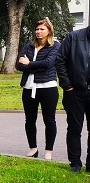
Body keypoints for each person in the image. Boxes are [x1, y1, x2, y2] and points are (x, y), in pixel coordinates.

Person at [16, 18, 60, 160]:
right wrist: (33, 65)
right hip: (29, 87)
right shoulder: (29, 46)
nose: (39, 32)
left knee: (49, 120)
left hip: (48, 87)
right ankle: (33, 148)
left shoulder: (55, 46)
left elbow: (48, 63)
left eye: (42, 29)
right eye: (37, 29)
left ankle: (48, 151)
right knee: (29, 119)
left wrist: (29, 63)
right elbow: (19, 65)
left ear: (49, 31)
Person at [55, 24, 90, 172]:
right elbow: (60, 60)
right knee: (75, 128)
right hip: (74, 92)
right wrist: (67, 85)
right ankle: (75, 163)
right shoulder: (73, 37)